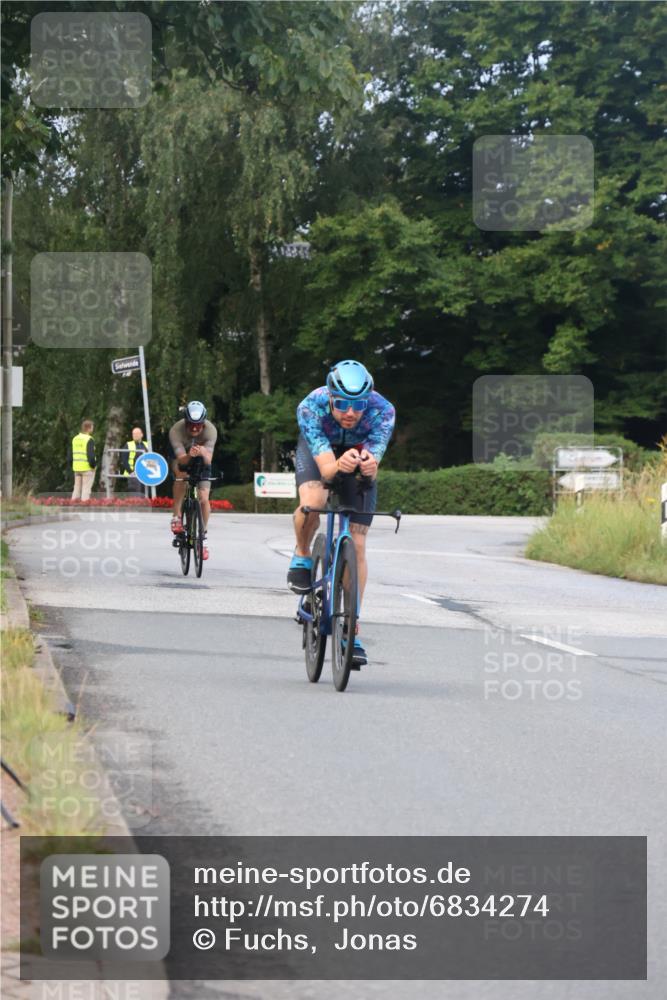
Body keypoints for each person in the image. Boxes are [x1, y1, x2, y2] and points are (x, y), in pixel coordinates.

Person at [288, 360, 395, 666]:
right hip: (319, 452)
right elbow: (327, 470)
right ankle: (303, 552)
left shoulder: (383, 411)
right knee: (313, 500)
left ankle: (351, 625)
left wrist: (370, 467)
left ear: (369, 398)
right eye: (343, 404)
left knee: (358, 544)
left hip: (357, 454)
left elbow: (371, 464)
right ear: (331, 397)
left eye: (359, 404)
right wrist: (338, 464)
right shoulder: (311, 406)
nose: (351, 412)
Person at [168, 401, 217, 560]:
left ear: (204, 423)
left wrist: (202, 451)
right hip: (183, 459)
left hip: (202, 461)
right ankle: (176, 516)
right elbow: (181, 461)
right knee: (181, 476)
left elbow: (208, 461)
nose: (195, 428)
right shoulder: (176, 430)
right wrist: (190, 455)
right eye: (191, 425)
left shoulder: (210, 431)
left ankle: (203, 536)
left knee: (203, 498)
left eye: (199, 425)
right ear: (185, 422)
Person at [70, 419, 96, 501]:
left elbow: (71, 454)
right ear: (89, 428)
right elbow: (91, 455)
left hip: (77, 468)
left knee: (76, 489)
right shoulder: (89, 439)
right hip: (87, 468)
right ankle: (84, 506)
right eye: (92, 427)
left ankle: (73, 505)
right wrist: (93, 466)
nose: (93, 429)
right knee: (86, 489)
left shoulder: (75, 438)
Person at [119, 426, 148, 493]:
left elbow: (151, 458)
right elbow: (124, 460)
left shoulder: (147, 444)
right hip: (133, 474)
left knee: (145, 494)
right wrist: (131, 472)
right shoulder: (128, 444)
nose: (135, 435)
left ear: (142, 435)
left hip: (145, 474)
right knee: (135, 494)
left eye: (137, 433)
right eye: (133, 434)